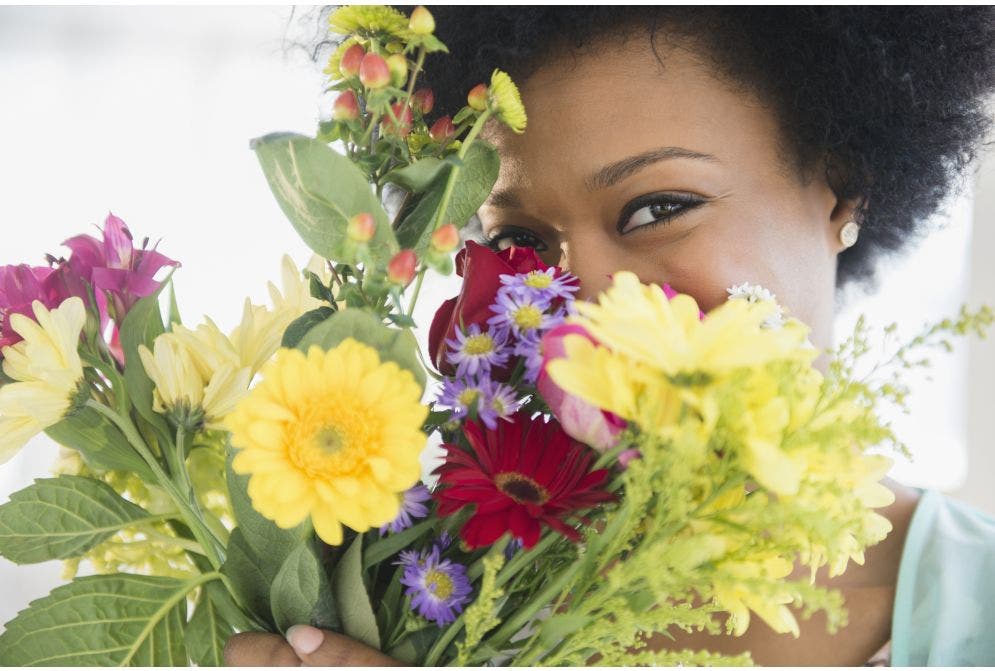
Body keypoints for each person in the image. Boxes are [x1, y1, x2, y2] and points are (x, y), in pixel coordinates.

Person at [224, 6, 995, 666]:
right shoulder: (417, 595)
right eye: (521, 237)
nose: (581, 299)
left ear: (841, 187)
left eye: (657, 209)